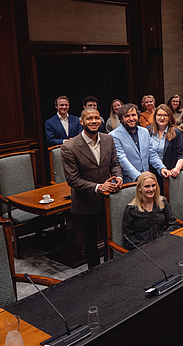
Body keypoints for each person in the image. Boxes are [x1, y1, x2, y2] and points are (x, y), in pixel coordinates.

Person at [61, 107, 123, 268]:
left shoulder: (108, 139)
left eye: (96, 118)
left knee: (110, 239)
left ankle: (111, 271)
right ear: (82, 122)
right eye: (89, 119)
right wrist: (98, 187)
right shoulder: (70, 147)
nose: (94, 121)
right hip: (84, 203)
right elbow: (73, 180)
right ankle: (95, 276)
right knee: (90, 245)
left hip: (107, 201)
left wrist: (118, 177)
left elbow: (115, 164)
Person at [110, 103, 170, 184]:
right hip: (128, 181)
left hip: (146, 179)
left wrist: (162, 168)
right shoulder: (113, 135)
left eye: (133, 115)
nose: (131, 118)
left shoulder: (144, 131)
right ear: (121, 118)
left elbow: (152, 154)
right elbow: (122, 159)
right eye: (127, 116)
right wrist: (139, 177)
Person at [122, 171, 179, 250]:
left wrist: (164, 239)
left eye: (153, 185)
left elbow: (172, 222)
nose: (151, 189)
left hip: (163, 244)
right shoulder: (131, 209)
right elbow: (127, 237)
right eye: (147, 186)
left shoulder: (162, 202)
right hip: (142, 250)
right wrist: (147, 247)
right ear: (139, 188)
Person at [147, 105, 183, 190]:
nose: (162, 118)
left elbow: (182, 155)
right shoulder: (148, 131)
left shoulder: (177, 132)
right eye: (159, 115)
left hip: (169, 173)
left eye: (165, 115)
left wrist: (177, 168)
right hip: (150, 173)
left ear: (170, 117)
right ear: (155, 117)